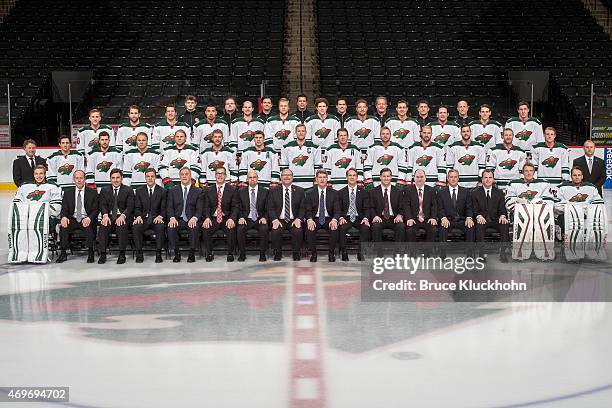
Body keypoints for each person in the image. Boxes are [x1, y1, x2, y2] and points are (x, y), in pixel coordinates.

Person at [9, 165, 62, 263]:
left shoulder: (53, 187)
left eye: (41, 173)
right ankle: (21, 254)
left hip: (45, 218)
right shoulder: (24, 186)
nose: (39, 176)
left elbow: (57, 206)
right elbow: (17, 202)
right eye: (36, 173)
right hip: (26, 218)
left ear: (45, 174)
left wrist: (47, 212)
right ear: (33, 175)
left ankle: (39, 254)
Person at [57, 170, 99, 263]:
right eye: (77, 178)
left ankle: (90, 252)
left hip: (85, 218)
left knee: (88, 227)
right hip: (72, 218)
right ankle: (63, 253)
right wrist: (63, 217)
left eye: (81, 178)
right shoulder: (68, 193)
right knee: (63, 226)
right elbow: (64, 208)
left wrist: (89, 218)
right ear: (73, 179)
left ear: (84, 179)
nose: (79, 180)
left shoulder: (92, 192)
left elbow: (96, 209)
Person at [201, 167, 239, 262]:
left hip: (226, 217)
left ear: (225, 176)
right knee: (205, 228)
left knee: (231, 228)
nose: (220, 175)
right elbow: (206, 206)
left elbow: (235, 207)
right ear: (215, 175)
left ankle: (230, 253)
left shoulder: (232, 190)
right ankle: (210, 252)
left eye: (222, 173)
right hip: (213, 218)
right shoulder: (208, 190)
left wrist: (232, 218)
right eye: (218, 173)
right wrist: (207, 218)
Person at [96, 169, 134, 264]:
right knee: (103, 226)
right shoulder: (104, 190)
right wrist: (105, 215)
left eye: (117, 178)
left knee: (121, 226)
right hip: (109, 217)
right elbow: (102, 205)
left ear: (122, 178)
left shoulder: (128, 190)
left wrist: (123, 216)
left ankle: (122, 254)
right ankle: (103, 254)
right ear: (110, 179)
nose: (115, 180)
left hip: (123, 217)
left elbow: (130, 207)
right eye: (113, 178)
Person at [166, 168, 204, 263]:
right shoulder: (172, 190)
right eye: (182, 174)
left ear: (190, 176)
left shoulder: (198, 191)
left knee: (194, 228)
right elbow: (169, 207)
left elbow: (200, 209)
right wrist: (172, 218)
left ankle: (191, 253)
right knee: (171, 227)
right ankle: (176, 252)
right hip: (178, 219)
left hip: (191, 218)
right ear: (179, 177)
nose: (184, 176)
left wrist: (195, 218)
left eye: (186, 174)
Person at [267, 169, 306, 261]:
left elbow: (302, 207)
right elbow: (270, 207)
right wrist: (274, 220)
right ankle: (278, 252)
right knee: (276, 230)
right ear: (281, 178)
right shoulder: (273, 191)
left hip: (294, 219)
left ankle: (296, 253)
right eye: (284, 175)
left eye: (289, 175)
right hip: (279, 219)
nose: (287, 177)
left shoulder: (300, 191)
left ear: (292, 177)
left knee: (298, 230)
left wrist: (299, 219)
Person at [305, 170, 341, 262]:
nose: (322, 179)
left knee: (334, 228)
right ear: (316, 180)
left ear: (327, 179)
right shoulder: (309, 193)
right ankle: (314, 253)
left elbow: (337, 210)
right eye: (320, 177)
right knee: (309, 228)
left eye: (324, 177)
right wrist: (309, 219)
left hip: (329, 219)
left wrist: (334, 220)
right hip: (315, 219)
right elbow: (308, 210)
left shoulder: (334, 193)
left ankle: (331, 253)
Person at [133, 168, 167, 264]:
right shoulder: (139, 191)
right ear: (145, 178)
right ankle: (139, 253)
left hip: (156, 218)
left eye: (152, 176)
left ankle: (158, 253)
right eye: (148, 176)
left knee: (160, 227)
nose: (150, 178)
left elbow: (164, 208)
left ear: (155, 177)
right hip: (144, 218)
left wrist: (160, 216)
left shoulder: (162, 191)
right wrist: (138, 216)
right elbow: (137, 207)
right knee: (136, 227)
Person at [338, 168, 371, 261]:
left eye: (354, 175)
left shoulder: (364, 192)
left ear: (357, 177)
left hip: (359, 217)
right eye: (350, 175)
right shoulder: (340, 192)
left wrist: (365, 218)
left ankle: (361, 252)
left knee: (365, 227)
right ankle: (344, 252)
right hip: (346, 217)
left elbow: (367, 208)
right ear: (346, 177)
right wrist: (340, 217)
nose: (352, 177)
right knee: (342, 227)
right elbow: (338, 208)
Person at [236, 171, 269, 262]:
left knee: (264, 228)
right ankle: (242, 254)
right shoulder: (240, 191)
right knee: (240, 229)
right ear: (247, 179)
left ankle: (262, 254)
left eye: (254, 177)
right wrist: (241, 217)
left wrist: (265, 217)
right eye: (250, 177)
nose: (252, 179)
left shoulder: (265, 191)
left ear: (258, 179)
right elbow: (237, 207)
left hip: (260, 218)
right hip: (247, 219)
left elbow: (269, 207)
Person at [280, 123, 322, 189]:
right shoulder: (286, 147)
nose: (301, 133)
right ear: (295, 133)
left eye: (303, 131)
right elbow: (284, 166)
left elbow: (317, 165)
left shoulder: (315, 147)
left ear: (306, 132)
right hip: (293, 182)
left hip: (309, 183)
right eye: (298, 131)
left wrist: (317, 179)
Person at [471, 169, 509, 242]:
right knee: (479, 225)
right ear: (482, 179)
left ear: (493, 179)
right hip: (482, 219)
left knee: (504, 224)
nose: (488, 180)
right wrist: (479, 216)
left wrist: (503, 216)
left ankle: (503, 252)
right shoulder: (475, 193)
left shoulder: (499, 192)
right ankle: (481, 252)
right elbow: (474, 209)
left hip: (496, 219)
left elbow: (502, 208)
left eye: (490, 177)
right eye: (485, 177)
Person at [437, 169, 474, 242]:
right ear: (447, 178)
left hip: (462, 220)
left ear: (458, 178)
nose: (453, 179)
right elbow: (440, 208)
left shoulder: (466, 192)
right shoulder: (441, 192)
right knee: (442, 227)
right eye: (451, 177)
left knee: (470, 227)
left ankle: (470, 252)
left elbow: (469, 207)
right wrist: (443, 218)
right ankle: (442, 253)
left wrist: (469, 217)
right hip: (447, 220)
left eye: (455, 177)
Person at [370, 168, 405, 243]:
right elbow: (371, 207)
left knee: (401, 226)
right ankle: (379, 253)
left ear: (391, 177)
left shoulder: (398, 192)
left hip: (394, 218)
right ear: (380, 177)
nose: (386, 178)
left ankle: (398, 252)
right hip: (380, 218)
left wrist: (400, 215)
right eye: (384, 176)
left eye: (388, 176)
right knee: (375, 226)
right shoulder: (373, 191)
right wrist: (374, 216)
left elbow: (402, 207)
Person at [405, 169, 438, 242]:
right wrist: (409, 218)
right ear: (414, 178)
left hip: (427, 219)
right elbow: (407, 205)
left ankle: (428, 252)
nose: (419, 179)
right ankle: (412, 253)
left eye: (421, 177)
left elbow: (434, 205)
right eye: (417, 177)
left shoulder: (431, 190)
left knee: (433, 230)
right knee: (410, 231)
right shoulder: (408, 190)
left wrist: (433, 217)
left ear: (425, 178)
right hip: (414, 219)